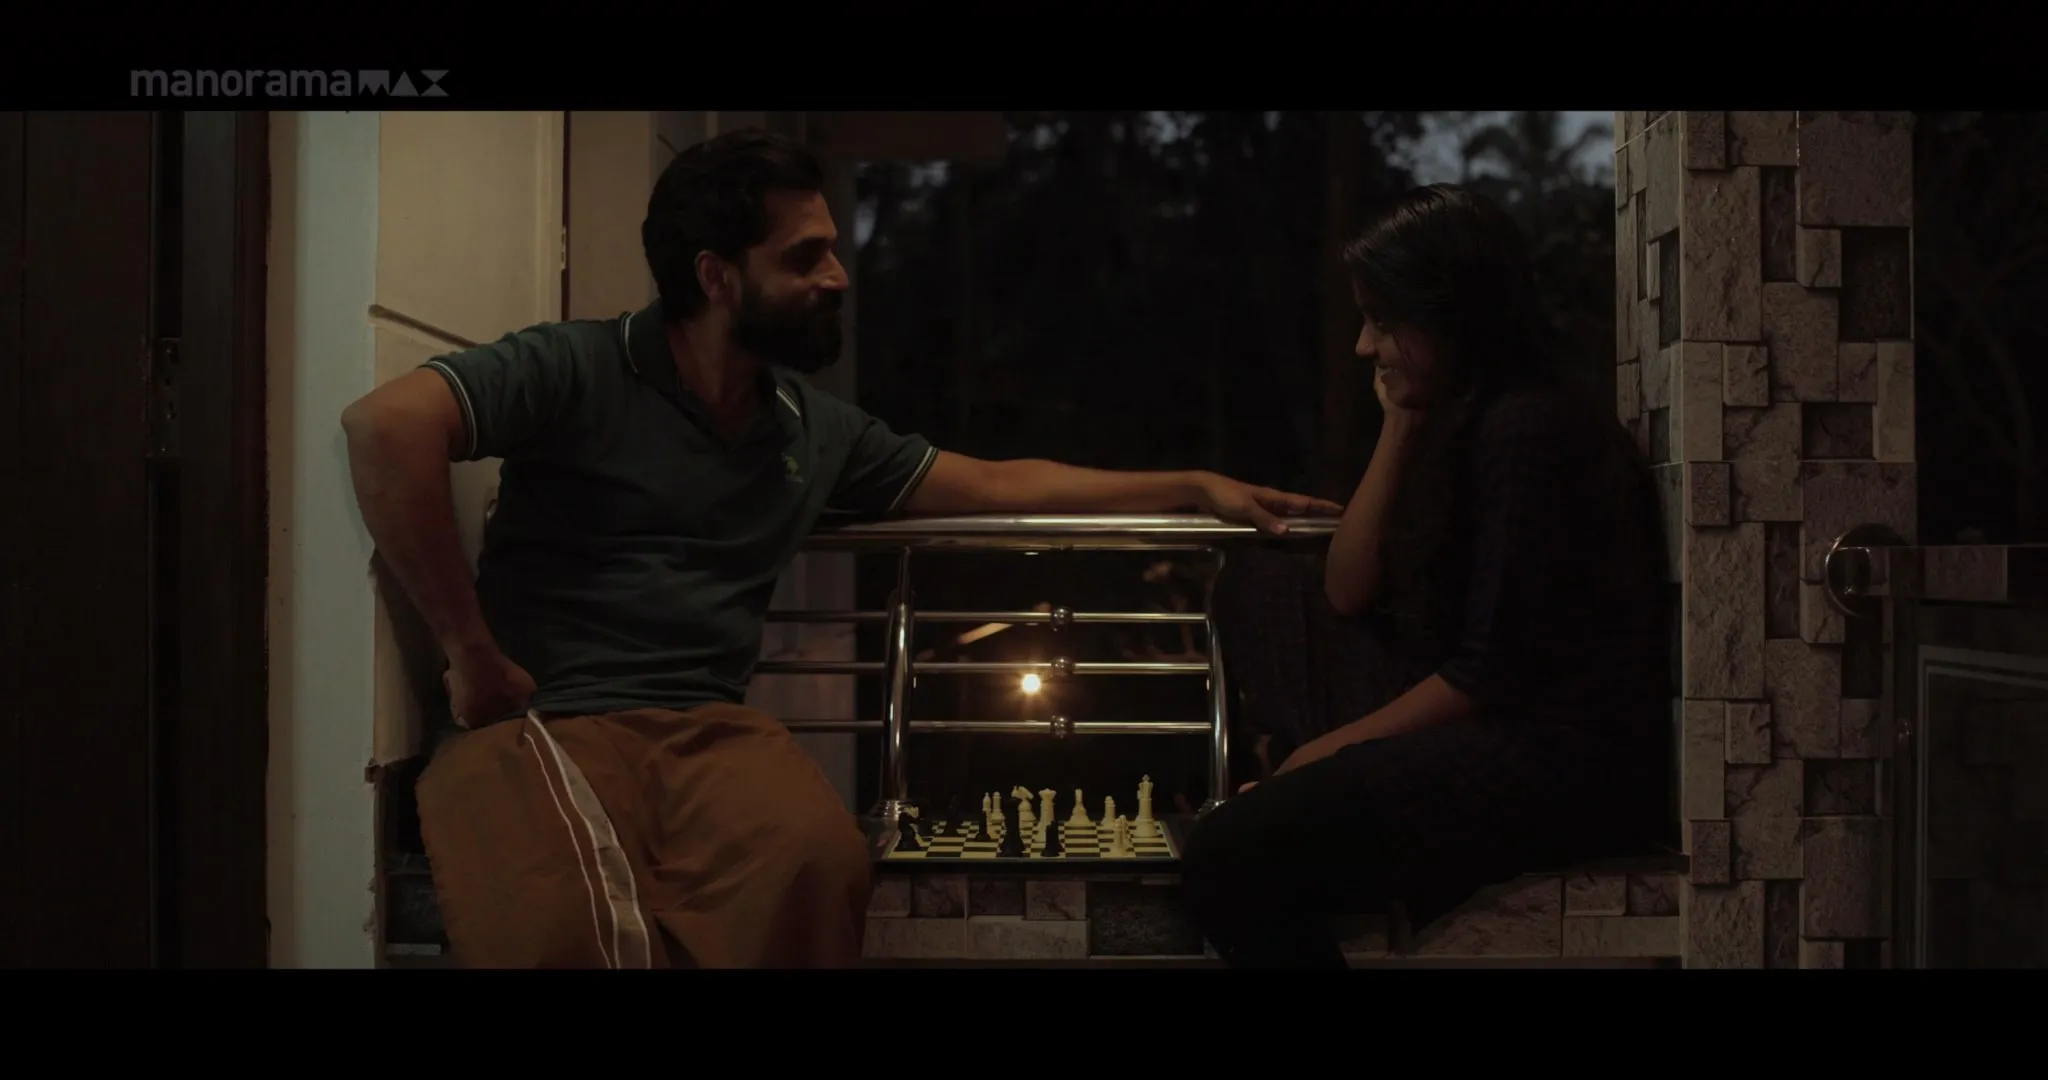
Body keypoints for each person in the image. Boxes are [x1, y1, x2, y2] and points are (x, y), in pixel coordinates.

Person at [339, 129, 1339, 969]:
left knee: (817, 863)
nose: (837, 276)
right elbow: (387, 427)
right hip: (541, 721)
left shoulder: (811, 429)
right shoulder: (578, 366)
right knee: (565, 928)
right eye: (805, 257)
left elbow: (998, 484)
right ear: (716, 276)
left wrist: (1190, 485)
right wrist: (467, 649)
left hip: (707, 732)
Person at [1178, 184, 1673, 968]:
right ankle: (1308, 802)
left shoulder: (1530, 426)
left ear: (1450, 315)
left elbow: (1485, 677)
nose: (1363, 347)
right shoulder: (1458, 416)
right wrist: (1399, 422)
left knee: (1224, 856)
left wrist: (1312, 763)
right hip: (1487, 716)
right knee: (1264, 574)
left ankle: (1299, 808)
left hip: (1552, 758)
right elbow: (1344, 590)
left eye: (1382, 321)